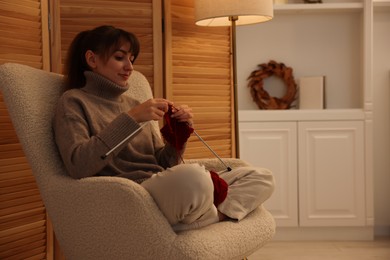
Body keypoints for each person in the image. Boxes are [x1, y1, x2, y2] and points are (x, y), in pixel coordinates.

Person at [53, 25, 275, 232]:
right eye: (119, 58)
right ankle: (205, 214)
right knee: (194, 177)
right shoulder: (73, 101)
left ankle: (208, 217)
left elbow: (163, 164)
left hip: (162, 186)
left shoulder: (133, 104)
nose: (129, 68)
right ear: (92, 59)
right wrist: (131, 119)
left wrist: (178, 136)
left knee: (261, 177)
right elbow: (79, 165)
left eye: (131, 59)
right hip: (132, 195)